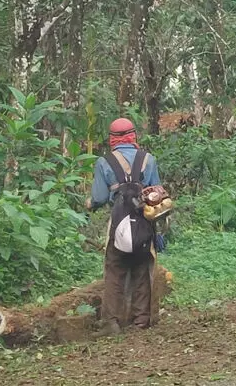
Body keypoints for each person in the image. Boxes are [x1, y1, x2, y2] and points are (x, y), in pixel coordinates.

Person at [87, 118, 162, 337]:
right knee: (142, 266)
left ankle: (111, 322)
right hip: (144, 221)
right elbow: (156, 193)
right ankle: (141, 320)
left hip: (119, 220)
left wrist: (91, 204)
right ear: (133, 136)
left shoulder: (104, 162)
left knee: (115, 268)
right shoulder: (148, 159)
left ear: (112, 139)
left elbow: (99, 197)